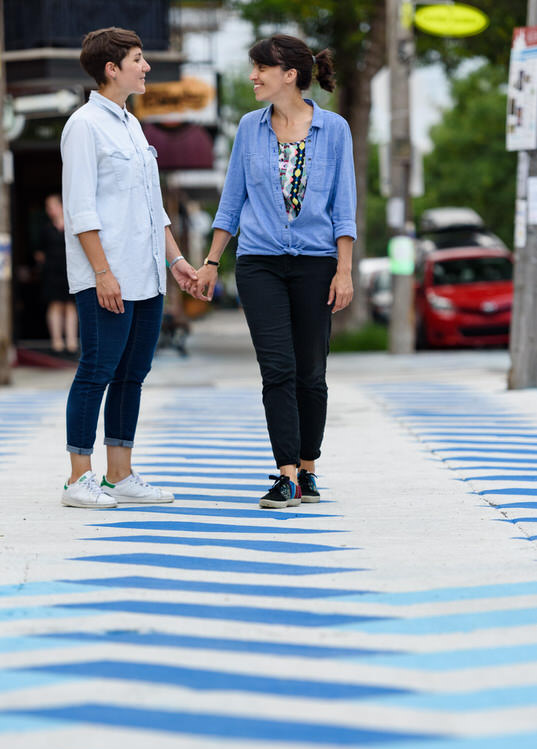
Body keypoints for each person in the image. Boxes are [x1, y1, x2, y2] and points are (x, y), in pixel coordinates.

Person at [192, 35, 356, 509]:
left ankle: (307, 467)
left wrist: (343, 271)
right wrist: (210, 261)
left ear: (290, 75)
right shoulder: (249, 128)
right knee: (277, 368)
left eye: (261, 68)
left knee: (311, 372)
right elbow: (232, 200)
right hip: (259, 261)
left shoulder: (335, 129)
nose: (253, 76)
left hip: (316, 262)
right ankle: (285, 475)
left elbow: (344, 208)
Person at [60, 27, 199, 509]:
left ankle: (120, 474)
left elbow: (152, 206)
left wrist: (177, 260)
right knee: (97, 369)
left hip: (148, 275)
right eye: (138, 59)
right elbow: (80, 209)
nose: (147, 67)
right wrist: (101, 272)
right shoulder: (84, 125)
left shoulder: (133, 125)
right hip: (108, 277)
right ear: (111, 69)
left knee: (132, 374)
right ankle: (80, 477)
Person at [34, 194, 78, 355]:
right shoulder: (45, 229)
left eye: (53, 206)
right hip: (52, 273)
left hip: (70, 271)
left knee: (70, 306)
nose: (50, 210)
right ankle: (57, 342)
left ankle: (72, 342)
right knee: (55, 306)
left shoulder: (72, 226)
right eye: (48, 207)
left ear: (61, 206)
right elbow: (39, 253)